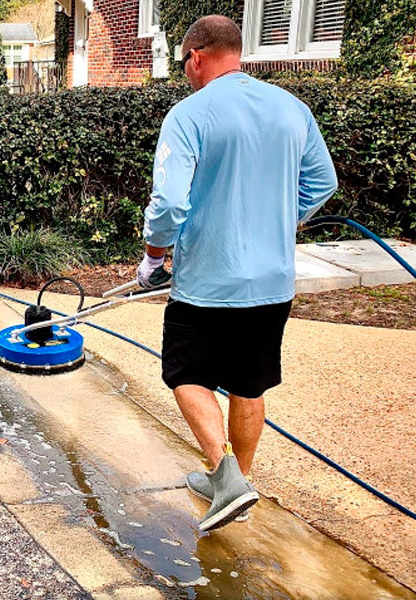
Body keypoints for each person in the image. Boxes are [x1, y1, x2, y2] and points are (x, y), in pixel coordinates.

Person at [137, 15, 338, 531]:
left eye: (184, 64)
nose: (185, 72)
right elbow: (322, 181)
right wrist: (278, 219)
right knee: (249, 386)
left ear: (197, 56)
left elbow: (168, 203)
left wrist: (154, 258)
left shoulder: (189, 115)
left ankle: (228, 480)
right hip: (272, 281)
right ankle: (235, 486)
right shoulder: (292, 109)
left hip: (209, 280)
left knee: (185, 374)